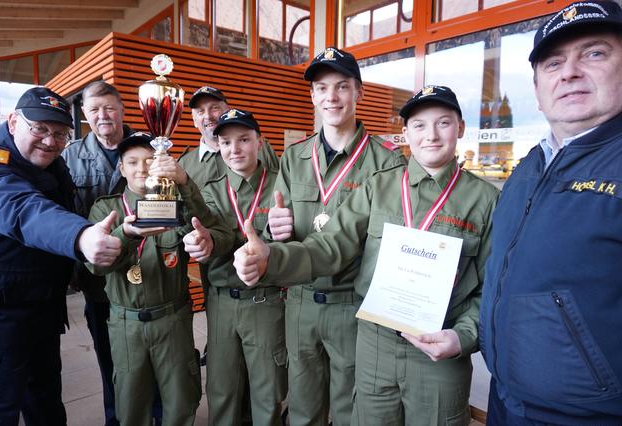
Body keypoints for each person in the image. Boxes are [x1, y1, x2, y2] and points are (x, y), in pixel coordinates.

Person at [234, 85, 499, 425]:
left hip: (439, 352)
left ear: (460, 128)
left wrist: (462, 336)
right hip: (376, 344)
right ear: (406, 134)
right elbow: (330, 245)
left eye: (443, 123)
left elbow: (493, 289)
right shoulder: (380, 187)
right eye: (419, 125)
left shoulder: (486, 201)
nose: (431, 135)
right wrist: (272, 258)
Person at [479, 1, 622, 424]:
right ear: (539, 91)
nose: (570, 72)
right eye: (553, 63)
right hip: (506, 401)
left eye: (594, 53)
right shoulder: (529, 165)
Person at [259, 47, 406, 426]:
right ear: (312, 96)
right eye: (322, 88)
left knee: (349, 409)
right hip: (300, 302)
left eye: (342, 87)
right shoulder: (293, 158)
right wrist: (273, 228)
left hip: (352, 306)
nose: (331, 97)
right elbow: (273, 229)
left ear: (359, 93)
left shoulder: (387, 162)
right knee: (303, 408)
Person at [0, 86, 122, 426]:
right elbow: (23, 210)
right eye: (40, 129)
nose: (50, 140)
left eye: (60, 133)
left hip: (42, 309)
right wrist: (81, 236)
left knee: (45, 402)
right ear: (14, 122)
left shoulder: (52, 163)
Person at [86, 133, 234, 426]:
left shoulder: (175, 204)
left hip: (172, 320)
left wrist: (184, 182)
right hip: (125, 323)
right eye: (132, 162)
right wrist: (125, 235)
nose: (142, 168)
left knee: (180, 400)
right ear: (121, 168)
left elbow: (206, 223)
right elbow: (96, 268)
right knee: (130, 404)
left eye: (150, 161)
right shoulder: (106, 209)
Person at [185, 109, 286, 425]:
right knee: (222, 389)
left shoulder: (282, 187)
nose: (235, 149)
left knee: (267, 391)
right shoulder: (211, 189)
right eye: (226, 142)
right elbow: (215, 231)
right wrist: (206, 242)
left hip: (266, 303)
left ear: (260, 142)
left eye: (244, 139)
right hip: (222, 303)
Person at [62, 80, 140, 426]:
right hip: (98, 280)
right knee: (109, 359)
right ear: (85, 115)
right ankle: (115, 417)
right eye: (94, 110)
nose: (102, 115)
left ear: (122, 110)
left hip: (144, 275)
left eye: (109, 107)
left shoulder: (148, 147)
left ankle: (153, 415)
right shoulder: (70, 156)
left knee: (147, 358)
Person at [178, 86, 279, 189]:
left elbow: (280, 185)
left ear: (227, 112)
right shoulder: (184, 164)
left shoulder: (262, 148)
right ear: (194, 121)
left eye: (215, 108)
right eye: (201, 112)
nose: (208, 116)